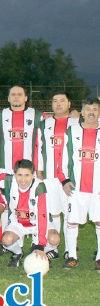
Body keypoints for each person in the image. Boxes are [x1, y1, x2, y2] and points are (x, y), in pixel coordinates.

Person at [35, 91, 79, 259]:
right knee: (53, 212)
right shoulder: (44, 124)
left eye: (62, 100)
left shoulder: (77, 122)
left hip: (70, 178)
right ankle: (53, 246)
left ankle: (70, 249)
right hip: (50, 177)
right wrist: (39, 171)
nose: (58, 104)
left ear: (69, 104)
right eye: (55, 101)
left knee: (70, 214)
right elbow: (38, 147)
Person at [61, 98, 100, 270]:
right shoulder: (71, 131)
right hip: (76, 188)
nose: (92, 112)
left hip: (98, 188)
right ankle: (71, 256)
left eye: (96, 109)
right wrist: (65, 180)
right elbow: (63, 158)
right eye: (88, 109)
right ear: (82, 112)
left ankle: (99, 258)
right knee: (72, 221)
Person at [1, 159, 51, 267]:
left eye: (27, 175)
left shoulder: (39, 186)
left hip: (36, 223)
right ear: (14, 174)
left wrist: (40, 245)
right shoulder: (9, 181)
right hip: (17, 224)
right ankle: (18, 252)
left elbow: (42, 216)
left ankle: (41, 249)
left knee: (54, 239)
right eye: (19, 175)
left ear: (33, 175)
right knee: (6, 240)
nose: (23, 179)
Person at [0, 85, 43, 175]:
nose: (16, 97)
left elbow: (41, 144)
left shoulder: (37, 116)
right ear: (8, 98)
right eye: (13, 94)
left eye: (19, 94)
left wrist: (39, 172)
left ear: (26, 98)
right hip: (5, 170)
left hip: (29, 169)